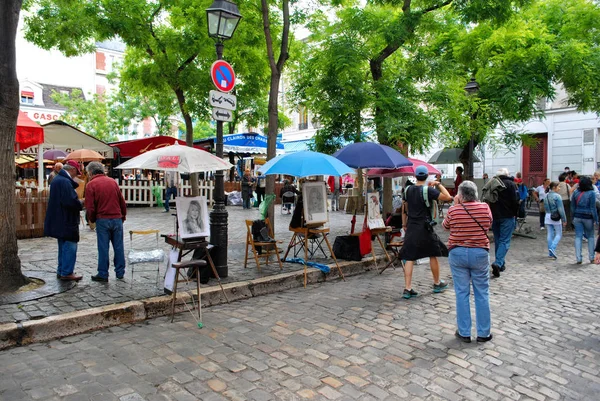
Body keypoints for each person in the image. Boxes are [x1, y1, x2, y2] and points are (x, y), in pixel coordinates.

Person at [443, 181, 493, 343]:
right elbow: (488, 224)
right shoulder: (485, 208)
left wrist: (457, 205)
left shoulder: (453, 210)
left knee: (462, 293)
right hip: (479, 252)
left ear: (461, 195)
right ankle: (483, 333)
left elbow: (445, 226)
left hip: (457, 253)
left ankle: (464, 332)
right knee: (482, 293)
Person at [397, 165, 453, 299]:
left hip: (411, 226)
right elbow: (448, 197)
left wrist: (404, 224)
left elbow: (404, 209)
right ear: (427, 176)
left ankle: (407, 288)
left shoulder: (408, 190)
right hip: (425, 227)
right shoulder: (428, 190)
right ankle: (437, 283)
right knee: (432, 253)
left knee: (409, 256)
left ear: (415, 176)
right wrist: (438, 184)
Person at [85, 162, 127, 282]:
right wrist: (123, 216)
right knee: (118, 246)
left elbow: (90, 207)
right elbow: (121, 201)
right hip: (116, 218)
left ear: (91, 172)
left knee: (103, 247)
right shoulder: (112, 182)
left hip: (102, 219)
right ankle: (120, 272)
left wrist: (92, 219)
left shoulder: (91, 184)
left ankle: (103, 273)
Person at [44, 161, 84, 281]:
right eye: (76, 172)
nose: (76, 175)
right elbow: (70, 202)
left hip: (60, 219)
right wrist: (81, 202)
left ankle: (62, 270)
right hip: (66, 219)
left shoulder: (58, 179)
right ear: (72, 170)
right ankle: (66, 272)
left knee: (63, 246)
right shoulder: (65, 181)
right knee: (69, 245)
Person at [488, 168, 519, 278]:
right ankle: (498, 263)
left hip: (495, 215)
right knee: (505, 241)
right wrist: (516, 213)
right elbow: (515, 201)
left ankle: (501, 264)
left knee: (498, 240)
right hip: (507, 215)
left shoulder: (492, 183)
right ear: (507, 174)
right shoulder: (511, 184)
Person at [570, 176, 598, 264]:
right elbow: (593, 208)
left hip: (577, 216)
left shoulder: (575, 192)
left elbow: (573, 207)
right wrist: (596, 219)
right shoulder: (591, 193)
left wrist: (573, 217)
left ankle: (578, 258)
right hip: (588, 217)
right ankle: (591, 257)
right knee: (590, 236)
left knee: (578, 236)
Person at [544, 182, 567, 259]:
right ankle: (552, 248)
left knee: (550, 234)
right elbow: (561, 209)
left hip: (547, 215)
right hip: (555, 216)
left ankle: (550, 252)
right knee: (558, 234)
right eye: (558, 187)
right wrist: (564, 219)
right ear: (554, 187)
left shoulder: (546, 195)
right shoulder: (557, 196)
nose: (559, 188)